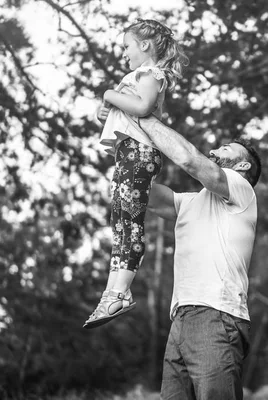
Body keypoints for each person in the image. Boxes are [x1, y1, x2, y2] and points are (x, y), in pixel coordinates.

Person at [137, 115, 262, 400]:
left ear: (242, 165)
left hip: (216, 315)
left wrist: (143, 118)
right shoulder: (189, 203)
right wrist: (125, 136)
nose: (216, 149)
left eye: (227, 149)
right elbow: (144, 192)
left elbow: (191, 160)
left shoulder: (242, 191)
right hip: (180, 319)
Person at [83, 19, 188, 329]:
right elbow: (126, 111)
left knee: (130, 222)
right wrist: (104, 110)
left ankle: (120, 292)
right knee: (120, 222)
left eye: (127, 46)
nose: (124, 53)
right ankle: (111, 293)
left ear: (144, 46)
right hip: (129, 153)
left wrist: (108, 94)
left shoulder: (151, 75)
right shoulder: (139, 75)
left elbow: (142, 107)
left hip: (141, 154)